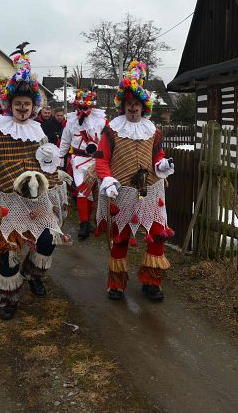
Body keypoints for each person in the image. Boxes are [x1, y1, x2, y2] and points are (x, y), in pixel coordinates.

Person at [0, 45, 66, 320]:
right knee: (7, 251)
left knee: (47, 239)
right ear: (10, 105)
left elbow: (48, 164)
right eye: (18, 104)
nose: (22, 109)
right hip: (7, 198)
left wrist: (54, 170)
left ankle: (33, 274)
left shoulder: (39, 131)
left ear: (33, 107)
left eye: (26, 105)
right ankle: (8, 297)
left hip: (36, 198)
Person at [95, 61, 175, 302]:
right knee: (120, 237)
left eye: (136, 104)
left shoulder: (154, 130)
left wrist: (162, 164)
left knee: (159, 234)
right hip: (122, 191)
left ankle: (152, 282)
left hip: (151, 189)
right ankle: (116, 284)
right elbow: (101, 159)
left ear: (143, 107)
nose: (133, 108)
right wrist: (106, 179)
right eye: (129, 104)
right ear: (123, 106)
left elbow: (157, 154)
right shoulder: (111, 130)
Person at [58, 88, 106, 240]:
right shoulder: (71, 122)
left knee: (91, 194)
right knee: (81, 190)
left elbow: (108, 141)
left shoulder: (102, 121)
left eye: (86, 107)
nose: (83, 110)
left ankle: (89, 221)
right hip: (78, 161)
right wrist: (58, 161)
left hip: (96, 160)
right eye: (80, 107)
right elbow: (65, 142)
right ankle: (84, 224)